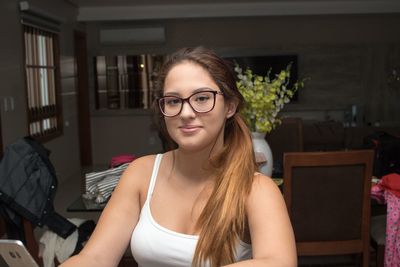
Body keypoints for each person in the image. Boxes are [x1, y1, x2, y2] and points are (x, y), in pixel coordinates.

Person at [60, 47, 296, 267]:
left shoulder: (257, 189)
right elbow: (95, 257)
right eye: (173, 101)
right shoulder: (141, 173)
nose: (185, 113)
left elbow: (278, 262)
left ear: (230, 106)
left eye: (202, 98)